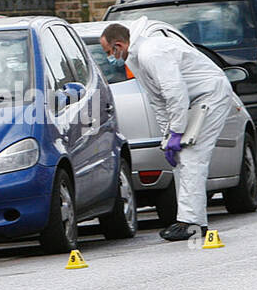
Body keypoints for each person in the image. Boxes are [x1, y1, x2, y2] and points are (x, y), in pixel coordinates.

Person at [100, 19, 238, 241]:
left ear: (119, 45)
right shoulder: (136, 59)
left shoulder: (150, 53)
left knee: (193, 156)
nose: (109, 57)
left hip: (211, 94)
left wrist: (176, 132)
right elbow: (158, 100)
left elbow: (175, 93)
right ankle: (191, 219)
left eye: (108, 51)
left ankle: (191, 223)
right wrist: (168, 137)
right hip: (195, 98)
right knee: (183, 158)